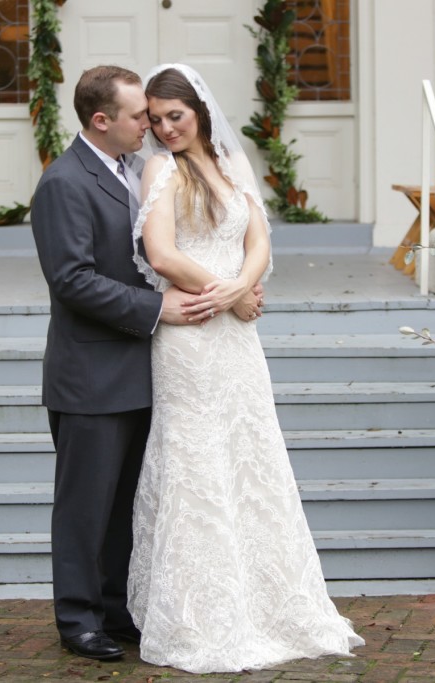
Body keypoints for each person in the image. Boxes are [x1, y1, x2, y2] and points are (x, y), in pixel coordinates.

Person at [126, 63, 365, 674]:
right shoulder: (160, 169)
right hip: (192, 334)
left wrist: (241, 287)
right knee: (196, 460)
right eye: (155, 120)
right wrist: (228, 293)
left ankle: (269, 605)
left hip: (237, 337)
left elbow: (259, 242)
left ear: (200, 111)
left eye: (175, 116)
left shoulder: (232, 164)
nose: (165, 128)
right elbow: (161, 254)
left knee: (251, 452)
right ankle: (201, 615)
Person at [30, 65, 203, 662]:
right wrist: (158, 308)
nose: (149, 125)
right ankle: (77, 620)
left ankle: (115, 608)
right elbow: (72, 279)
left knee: (127, 503)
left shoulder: (137, 168)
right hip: (91, 376)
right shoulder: (63, 182)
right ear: (101, 120)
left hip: (141, 368)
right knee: (84, 507)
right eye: (138, 117)